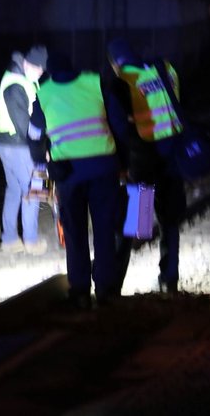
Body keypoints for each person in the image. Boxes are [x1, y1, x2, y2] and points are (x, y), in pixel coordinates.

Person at [27, 50, 128, 309]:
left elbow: (34, 135)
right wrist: (123, 161)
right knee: (106, 229)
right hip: (104, 169)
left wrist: (45, 163)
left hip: (68, 174)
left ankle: (80, 291)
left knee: (74, 232)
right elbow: (120, 125)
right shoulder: (95, 83)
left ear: (50, 73)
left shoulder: (44, 94)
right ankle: (106, 289)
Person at [106, 38, 187, 294]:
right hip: (171, 154)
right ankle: (169, 279)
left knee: (133, 223)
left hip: (143, 160)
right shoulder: (164, 69)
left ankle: (113, 284)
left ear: (114, 63)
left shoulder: (122, 82)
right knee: (169, 218)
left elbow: (118, 131)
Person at [0, 45, 48, 254]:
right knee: (34, 189)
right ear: (27, 63)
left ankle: (9, 240)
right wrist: (41, 148)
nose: (40, 72)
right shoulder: (15, 84)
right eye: (37, 68)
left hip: (8, 142)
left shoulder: (25, 79)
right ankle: (31, 241)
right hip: (16, 144)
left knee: (15, 188)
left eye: (43, 69)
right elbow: (24, 124)